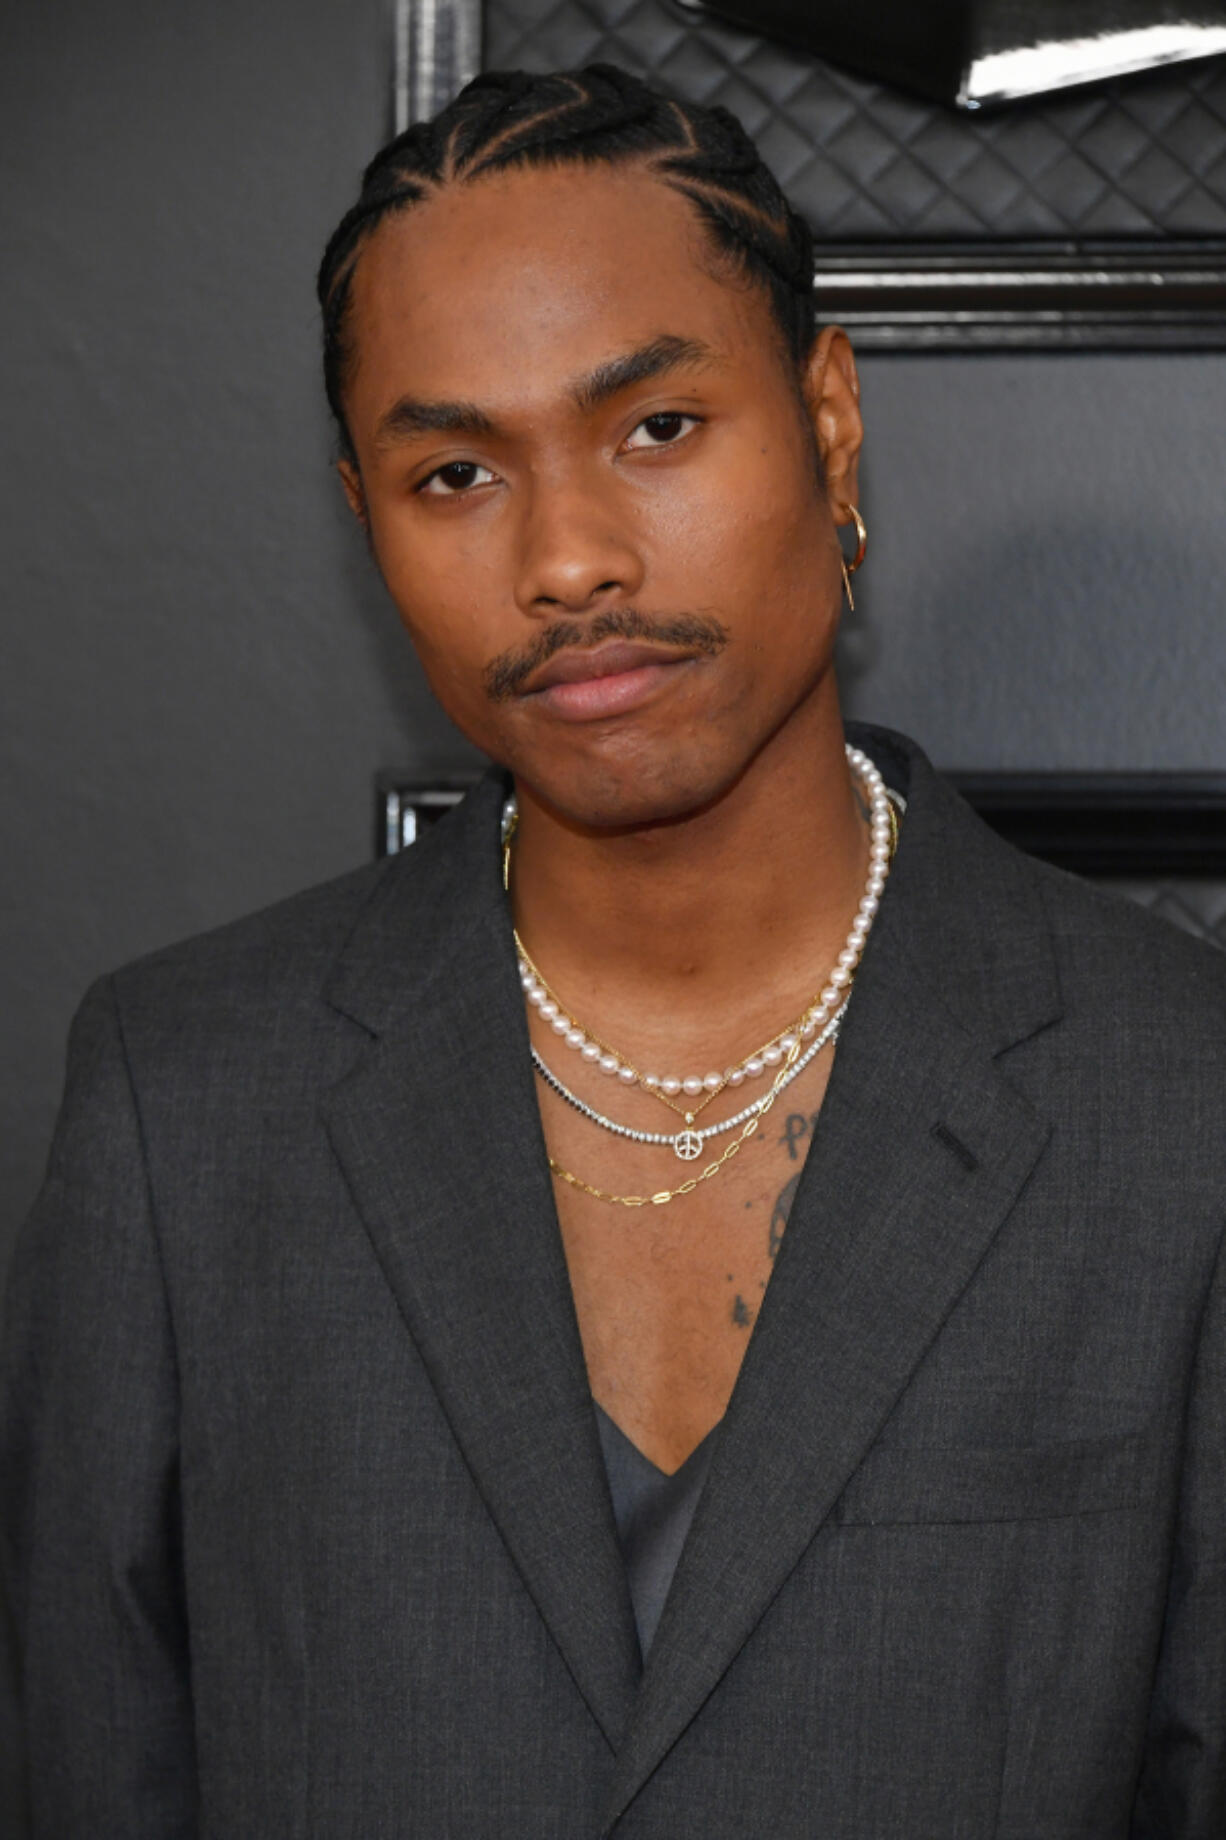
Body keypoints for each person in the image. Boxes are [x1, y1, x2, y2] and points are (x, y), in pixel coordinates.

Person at [3, 61, 1224, 1838]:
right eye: (452, 472)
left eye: (655, 428)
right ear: (364, 523)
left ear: (826, 419)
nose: (566, 557)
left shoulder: (1175, 1096)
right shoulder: (182, 1102)